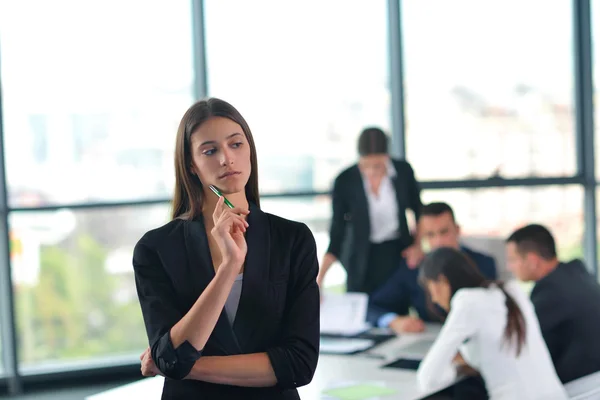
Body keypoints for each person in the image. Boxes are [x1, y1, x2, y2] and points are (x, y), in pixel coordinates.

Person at [133, 98, 320, 399]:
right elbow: (171, 356)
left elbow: (300, 364)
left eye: (236, 144)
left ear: (250, 151)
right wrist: (229, 267)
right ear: (191, 165)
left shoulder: (292, 239)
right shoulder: (155, 249)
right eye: (210, 151)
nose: (226, 159)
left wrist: (183, 365)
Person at [416, 247, 567, 400]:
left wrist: (454, 369)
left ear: (442, 281)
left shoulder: (467, 301)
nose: (434, 299)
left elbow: (428, 379)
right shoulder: (511, 290)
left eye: (430, 290)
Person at [317, 127, 423, 294]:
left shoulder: (403, 172)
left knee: (395, 306)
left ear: (387, 156)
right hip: (360, 258)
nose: (372, 171)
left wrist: (418, 245)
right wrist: (320, 278)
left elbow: (419, 211)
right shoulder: (345, 181)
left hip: (397, 252)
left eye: (378, 165)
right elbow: (337, 233)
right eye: (366, 165)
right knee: (361, 310)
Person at [368, 202, 497, 334]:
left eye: (444, 232)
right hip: (429, 339)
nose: (438, 241)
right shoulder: (413, 268)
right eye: (430, 235)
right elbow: (374, 307)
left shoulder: (484, 264)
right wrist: (394, 321)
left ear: (457, 229)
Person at [506, 224, 600, 383]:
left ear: (532, 260)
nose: (510, 267)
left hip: (580, 386)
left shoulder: (551, 292)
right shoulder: (576, 273)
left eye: (512, 259)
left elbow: (519, 344)